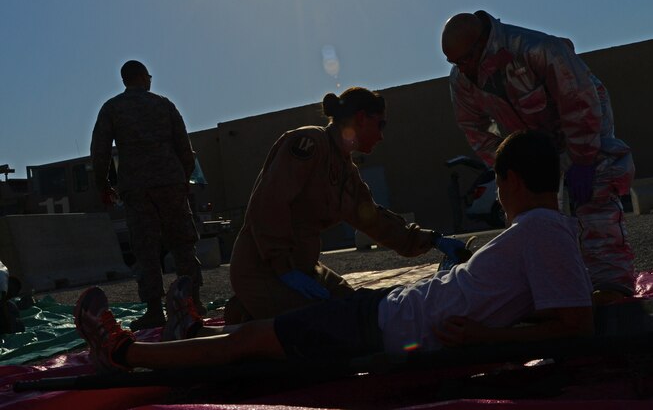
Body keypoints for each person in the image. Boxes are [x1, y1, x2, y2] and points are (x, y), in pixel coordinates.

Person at [74, 130, 594, 373]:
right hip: (386, 312)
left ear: (516, 181)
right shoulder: (539, 232)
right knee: (260, 329)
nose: (497, 196)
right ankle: (192, 333)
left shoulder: (542, 232)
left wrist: (485, 335)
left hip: (385, 327)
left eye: (498, 185)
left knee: (255, 339)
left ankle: (123, 353)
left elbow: (574, 324)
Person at [226, 86, 466, 323]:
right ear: (361, 118)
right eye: (379, 124)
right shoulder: (309, 143)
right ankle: (245, 317)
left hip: (302, 269)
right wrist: (282, 266)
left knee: (354, 309)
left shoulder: (346, 173)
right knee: (329, 327)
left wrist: (433, 239)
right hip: (263, 270)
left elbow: (375, 220)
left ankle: (251, 314)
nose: (381, 136)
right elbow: (269, 203)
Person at [441, 11, 636, 300]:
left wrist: (582, 159)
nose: (463, 68)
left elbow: (579, 102)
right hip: (529, 141)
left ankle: (611, 288)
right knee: (530, 216)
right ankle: (547, 286)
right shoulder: (462, 79)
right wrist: (510, 168)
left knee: (594, 199)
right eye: (455, 63)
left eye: (467, 59)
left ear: (483, 40)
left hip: (581, 125)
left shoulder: (538, 49)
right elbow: (474, 129)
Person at [90, 60, 204, 331]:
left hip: (137, 187)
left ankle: (155, 310)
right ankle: (194, 302)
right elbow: (185, 147)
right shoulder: (164, 104)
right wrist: (182, 177)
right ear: (142, 77)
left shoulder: (112, 108)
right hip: (170, 183)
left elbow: (100, 151)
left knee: (146, 249)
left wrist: (103, 184)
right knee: (182, 244)